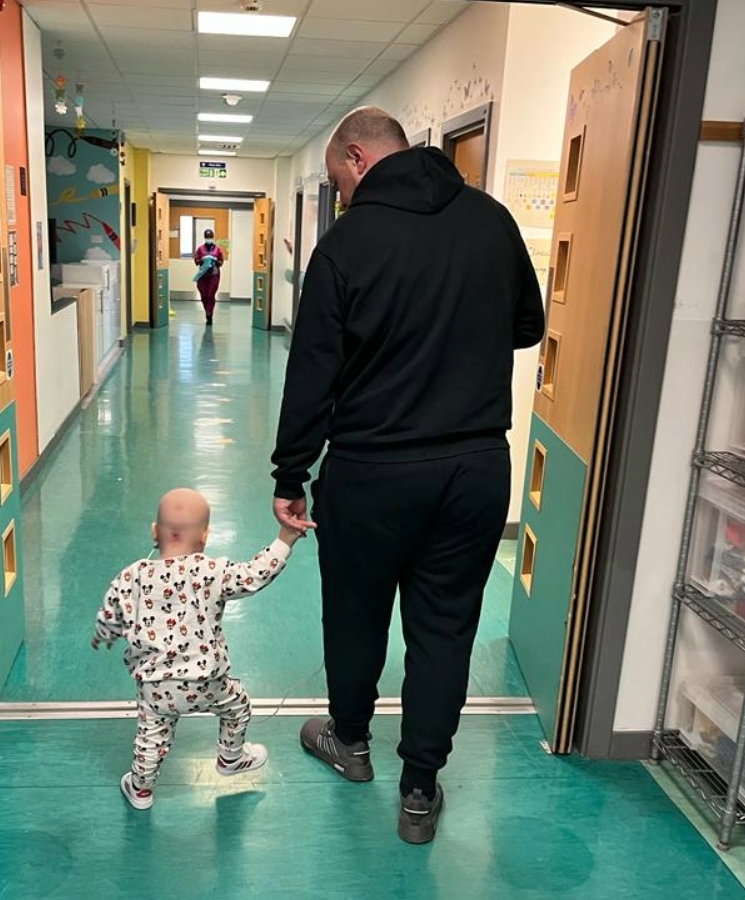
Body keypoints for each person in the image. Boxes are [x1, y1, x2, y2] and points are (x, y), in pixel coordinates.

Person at [270, 107, 546, 843]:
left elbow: (313, 374)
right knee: (445, 626)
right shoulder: (491, 220)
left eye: (339, 180)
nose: (343, 195)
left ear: (358, 158)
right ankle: (420, 789)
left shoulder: (346, 243)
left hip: (372, 470)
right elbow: (528, 325)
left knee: (357, 611)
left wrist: (290, 473)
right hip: (475, 466)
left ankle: (351, 744)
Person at [93, 488, 306, 810]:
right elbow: (254, 574)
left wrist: (105, 634)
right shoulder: (212, 572)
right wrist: (285, 539)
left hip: (156, 688)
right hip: (209, 681)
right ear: (205, 537)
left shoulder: (132, 576)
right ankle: (231, 758)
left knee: (151, 738)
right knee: (237, 707)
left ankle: (140, 789)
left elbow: (111, 615)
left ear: (154, 531)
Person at [193, 228, 225, 326]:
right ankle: (207, 311)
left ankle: (209, 315)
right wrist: (202, 260)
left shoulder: (217, 249)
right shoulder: (200, 249)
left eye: (210, 237)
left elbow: (221, 262)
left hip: (213, 275)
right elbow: (196, 261)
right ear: (204, 237)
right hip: (203, 275)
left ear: (213, 237)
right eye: (207, 237)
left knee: (210, 295)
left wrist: (215, 260)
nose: (209, 239)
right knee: (204, 296)